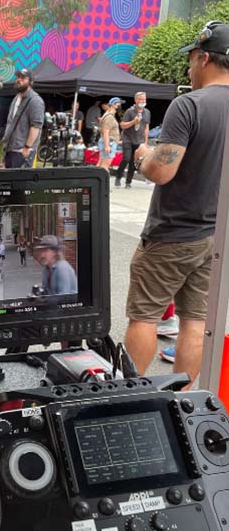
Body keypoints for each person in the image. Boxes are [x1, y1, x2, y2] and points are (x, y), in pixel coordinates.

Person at [123, 20, 229, 383]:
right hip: (217, 238)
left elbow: (162, 171)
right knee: (196, 322)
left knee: (145, 317)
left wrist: (142, 157)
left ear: (203, 58)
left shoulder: (188, 105)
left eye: (191, 60)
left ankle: (131, 398)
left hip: (172, 234)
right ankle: (181, 406)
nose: (189, 68)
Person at [2, 68, 45, 168]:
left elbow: (36, 126)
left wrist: (27, 147)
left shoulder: (35, 100)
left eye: (23, 78)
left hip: (22, 151)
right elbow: (10, 122)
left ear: (31, 82)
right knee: (9, 182)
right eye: (18, 77)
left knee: (20, 183)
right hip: (11, 148)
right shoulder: (16, 98)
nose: (19, 80)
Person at [115, 92, 149, 188]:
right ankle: (118, 176)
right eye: (141, 99)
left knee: (134, 162)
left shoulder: (147, 112)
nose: (143, 101)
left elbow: (146, 127)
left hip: (139, 140)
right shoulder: (130, 111)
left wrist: (145, 142)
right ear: (136, 100)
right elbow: (122, 125)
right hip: (127, 138)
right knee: (126, 158)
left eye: (144, 99)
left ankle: (128, 182)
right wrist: (134, 121)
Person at [96, 97, 122, 171]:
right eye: (118, 104)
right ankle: (102, 181)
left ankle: (94, 181)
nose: (120, 106)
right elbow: (106, 131)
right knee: (104, 166)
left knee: (100, 165)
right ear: (113, 105)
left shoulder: (107, 115)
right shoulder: (109, 117)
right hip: (109, 142)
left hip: (108, 141)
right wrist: (107, 146)